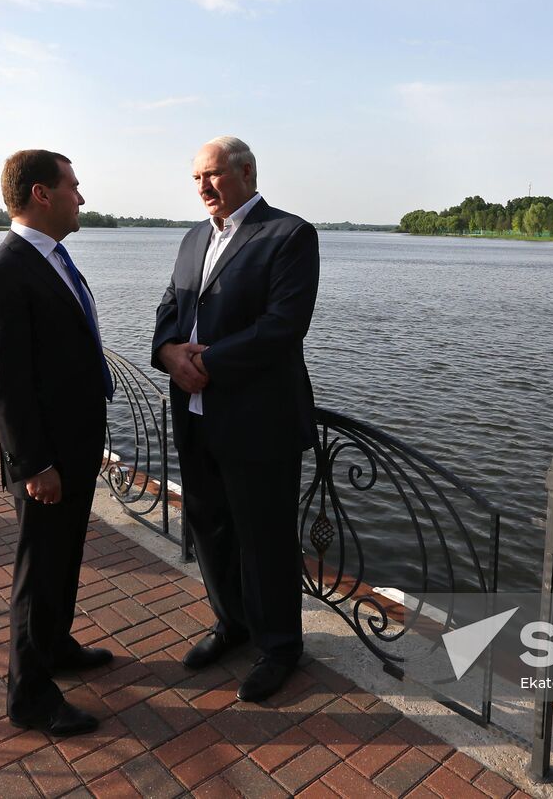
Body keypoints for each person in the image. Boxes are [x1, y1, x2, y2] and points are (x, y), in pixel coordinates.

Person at [152, 135, 319, 703]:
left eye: (213, 175)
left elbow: (283, 325)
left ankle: (280, 647)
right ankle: (231, 624)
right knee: (209, 528)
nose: (203, 187)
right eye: (196, 177)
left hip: (258, 420)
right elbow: (170, 307)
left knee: (265, 538)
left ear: (246, 172)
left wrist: (210, 364)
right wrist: (169, 353)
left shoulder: (289, 234)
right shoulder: (194, 236)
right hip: (196, 414)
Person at [0, 149, 115, 737]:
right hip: (46, 456)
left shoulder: (52, 259)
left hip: (74, 443)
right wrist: (35, 463)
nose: (82, 196)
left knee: (65, 557)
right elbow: (2, 382)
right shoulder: (2, 272)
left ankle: (55, 646)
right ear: (40, 195)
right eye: (73, 186)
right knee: (40, 567)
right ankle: (29, 694)